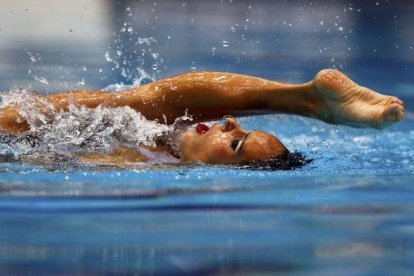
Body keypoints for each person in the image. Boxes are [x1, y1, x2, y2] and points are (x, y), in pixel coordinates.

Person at [0, 69, 404, 165]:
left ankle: (309, 103)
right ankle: (306, 100)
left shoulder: (144, 165)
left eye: (236, 143)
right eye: (242, 127)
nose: (230, 122)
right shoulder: (164, 138)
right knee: (140, 101)